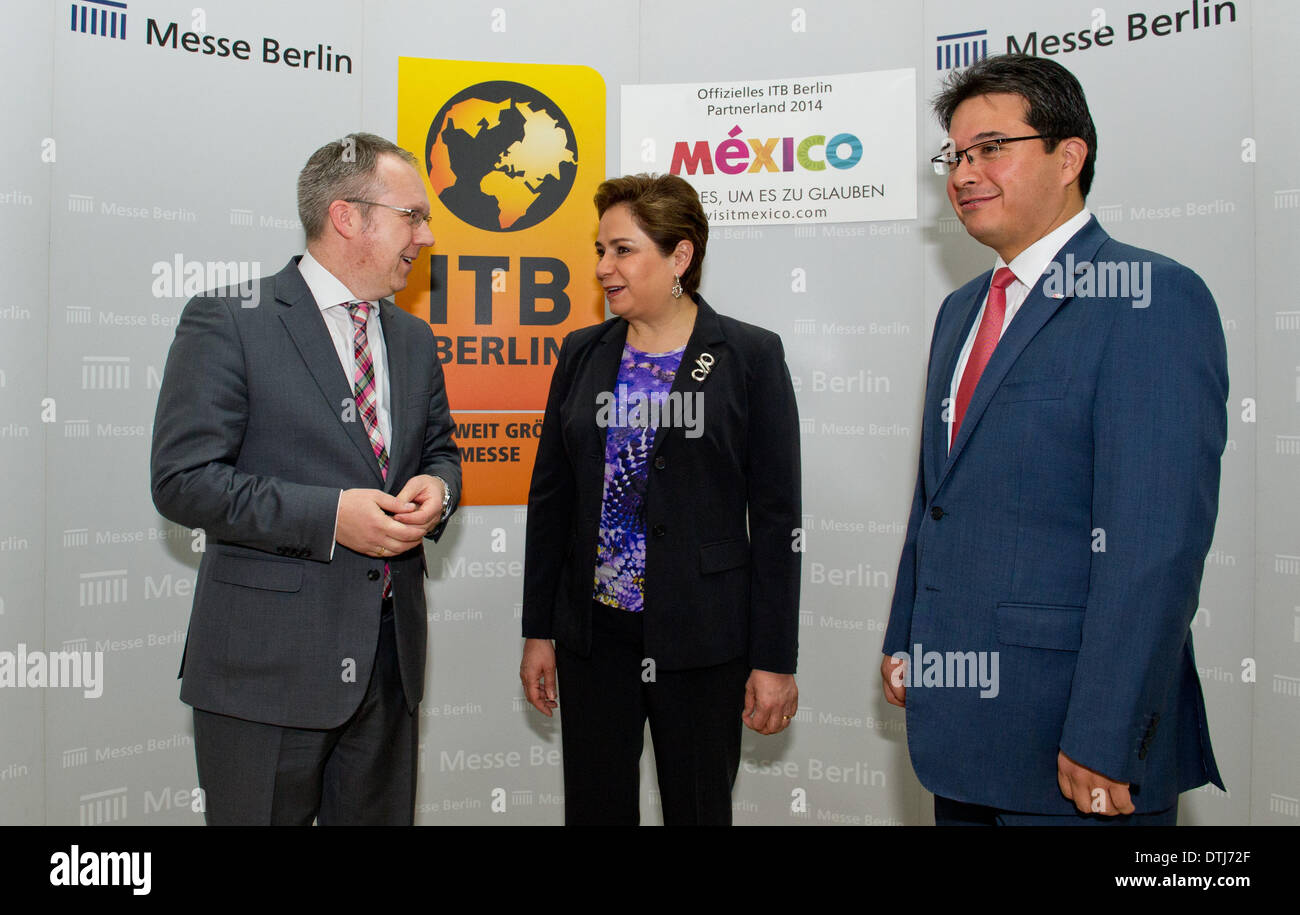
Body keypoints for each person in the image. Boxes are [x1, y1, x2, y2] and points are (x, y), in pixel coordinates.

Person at [881, 54, 1227, 825]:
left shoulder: (1149, 297)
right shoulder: (963, 310)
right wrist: (908, 634)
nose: (965, 172)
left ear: (1069, 156)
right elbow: (937, 499)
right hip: (958, 728)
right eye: (955, 155)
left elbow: (1154, 545)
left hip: (1072, 743)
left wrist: (1107, 735)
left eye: (991, 148)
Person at [151, 133, 461, 825]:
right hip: (264, 674)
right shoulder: (229, 319)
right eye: (413, 215)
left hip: (389, 665)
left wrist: (440, 491)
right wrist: (331, 516)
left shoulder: (412, 339)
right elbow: (184, 480)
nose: (428, 235)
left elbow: (441, 450)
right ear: (350, 216)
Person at [520, 173, 801, 825]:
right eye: (600, 250)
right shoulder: (583, 353)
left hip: (703, 639)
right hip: (595, 641)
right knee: (595, 810)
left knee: (699, 810)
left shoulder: (749, 355)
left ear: (680, 257)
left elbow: (779, 517)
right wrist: (540, 628)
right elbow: (550, 499)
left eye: (622, 250)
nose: (602, 268)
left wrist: (773, 659)